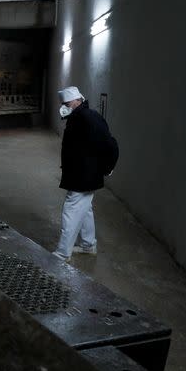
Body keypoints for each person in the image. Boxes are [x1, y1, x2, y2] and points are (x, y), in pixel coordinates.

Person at [52, 86, 119, 261]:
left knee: (71, 211)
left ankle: (62, 253)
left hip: (83, 177)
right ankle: (88, 245)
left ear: (76, 100)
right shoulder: (79, 117)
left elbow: (110, 143)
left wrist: (108, 167)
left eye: (66, 103)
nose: (64, 106)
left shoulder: (87, 117)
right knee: (85, 209)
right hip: (82, 174)